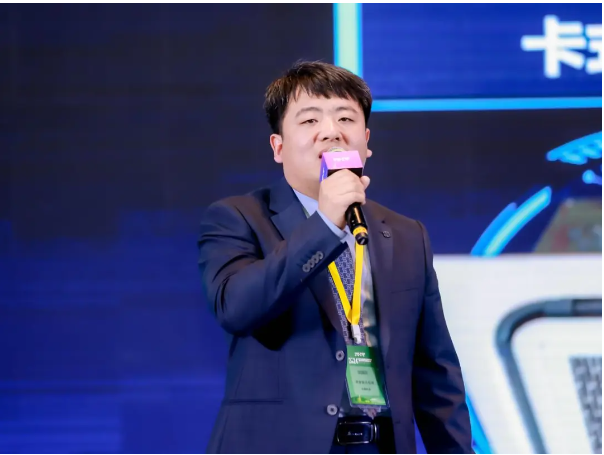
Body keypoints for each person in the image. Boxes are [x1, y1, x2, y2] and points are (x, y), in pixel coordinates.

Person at [197, 60, 473, 454]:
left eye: (345, 118)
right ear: (278, 147)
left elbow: (435, 371)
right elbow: (237, 308)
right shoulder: (237, 217)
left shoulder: (407, 234)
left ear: (366, 140)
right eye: (310, 121)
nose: (331, 132)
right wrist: (325, 224)